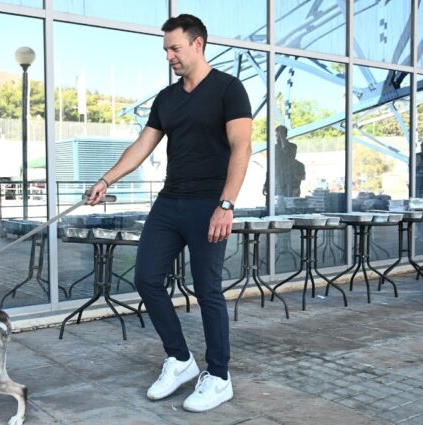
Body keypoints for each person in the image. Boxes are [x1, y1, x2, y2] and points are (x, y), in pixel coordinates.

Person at [87, 14, 251, 413]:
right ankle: (179, 359)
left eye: (174, 48)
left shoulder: (229, 89)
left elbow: (241, 148)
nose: (169, 56)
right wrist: (106, 179)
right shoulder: (167, 98)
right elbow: (142, 146)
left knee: (207, 290)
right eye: (165, 49)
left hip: (209, 203)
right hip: (169, 202)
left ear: (198, 44)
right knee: (146, 278)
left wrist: (226, 204)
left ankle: (219, 377)